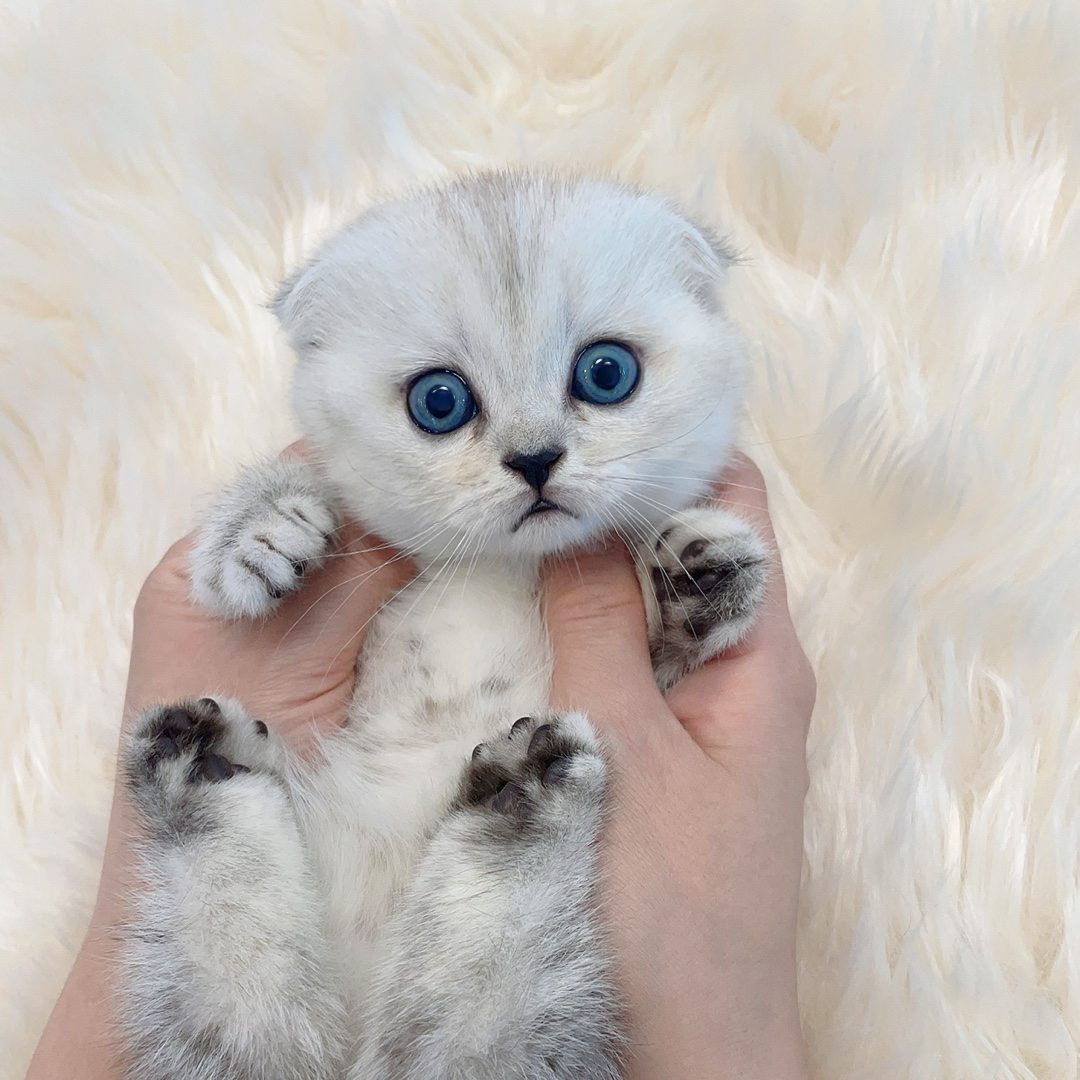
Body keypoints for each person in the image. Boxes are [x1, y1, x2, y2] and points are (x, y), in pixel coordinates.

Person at [26, 454, 814, 1080]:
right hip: (478, 850)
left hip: (338, 843)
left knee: (249, 1033)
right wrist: (730, 1043)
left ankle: (213, 837)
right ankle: (502, 866)